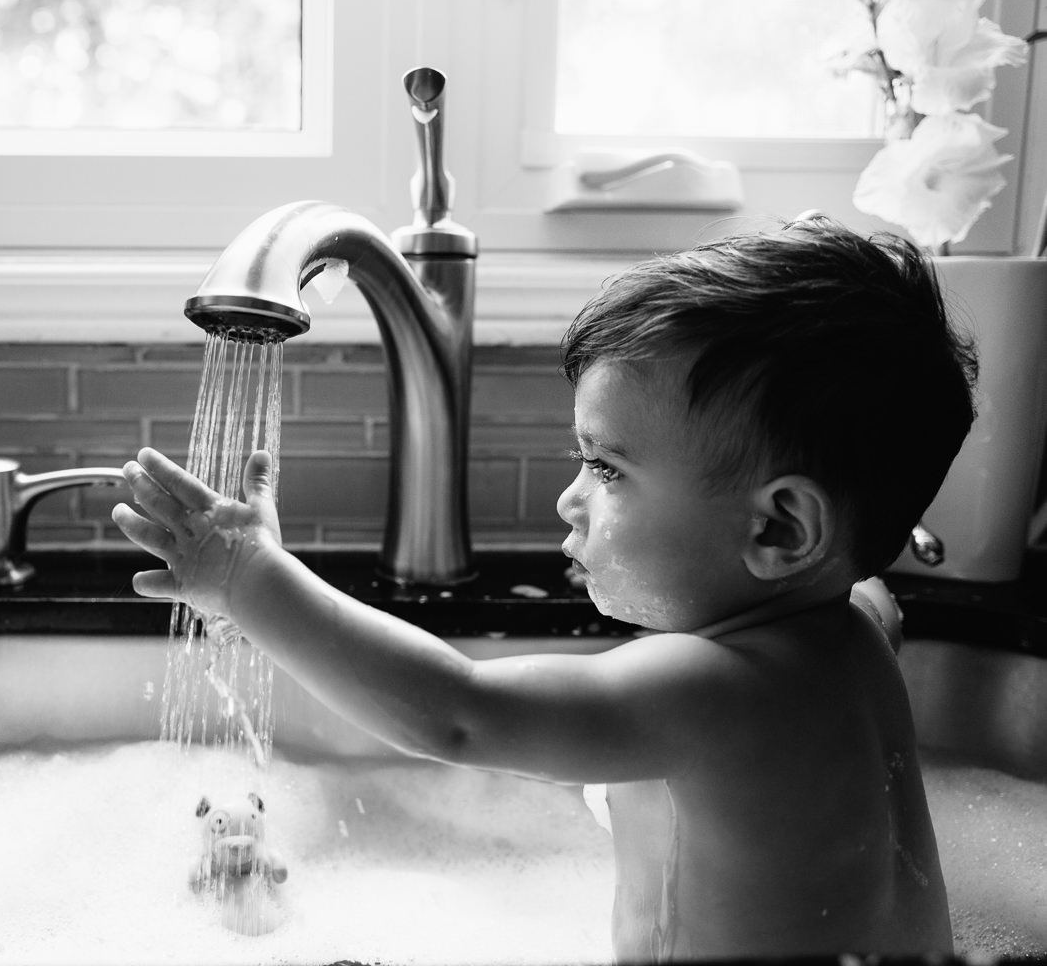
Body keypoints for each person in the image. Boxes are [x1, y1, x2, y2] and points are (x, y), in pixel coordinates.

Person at [111, 216, 975, 960]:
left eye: (606, 468)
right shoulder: (861, 622)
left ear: (781, 530)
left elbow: (456, 710)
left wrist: (249, 579)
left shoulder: (712, 691)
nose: (571, 496)